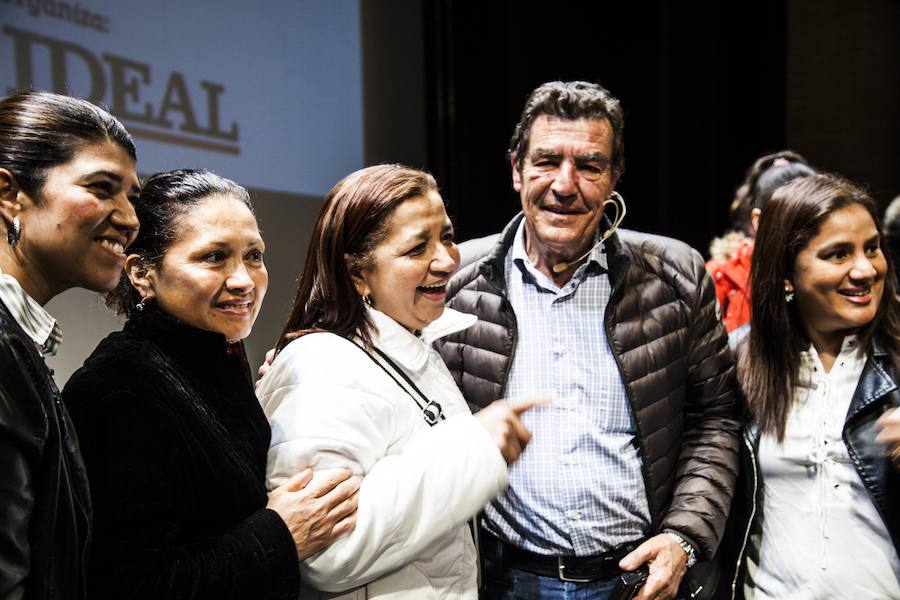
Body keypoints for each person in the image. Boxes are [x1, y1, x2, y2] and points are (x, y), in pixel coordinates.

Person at [436, 81, 742, 600]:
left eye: (589, 166)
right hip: (503, 580)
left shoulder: (676, 275)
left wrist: (684, 538)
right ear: (516, 170)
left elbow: (714, 418)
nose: (565, 184)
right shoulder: (453, 282)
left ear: (614, 178)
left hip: (637, 580)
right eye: (546, 161)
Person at [62, 169, 360, 600]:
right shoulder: (120, 389)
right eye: (214, 257)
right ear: (141, 273)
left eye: (253, 256)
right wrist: (280, 533)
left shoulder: (215, 363)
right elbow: (132, 586)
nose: (244, 280)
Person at [257, 164, 535, 599]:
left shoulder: (412, 346)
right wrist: (474, 451)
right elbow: (328, 555)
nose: (447, 260)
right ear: (357, 274)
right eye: (416, 248)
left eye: (446, 236)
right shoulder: (323, 368)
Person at [719, 173, 900, 599]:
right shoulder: (739, 361)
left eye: (872, 248)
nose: (865, 269)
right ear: (786, 274)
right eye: (838, 254)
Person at [0, 90, 140, 600]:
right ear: (9, 195)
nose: (130, 218)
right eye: (102, 188)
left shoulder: (19, 344)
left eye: (131, 197)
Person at [707, 151, 815, 332]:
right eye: (787, 217)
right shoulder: (719, 275)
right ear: (758, 220)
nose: (800, 230)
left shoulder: (835, 270)